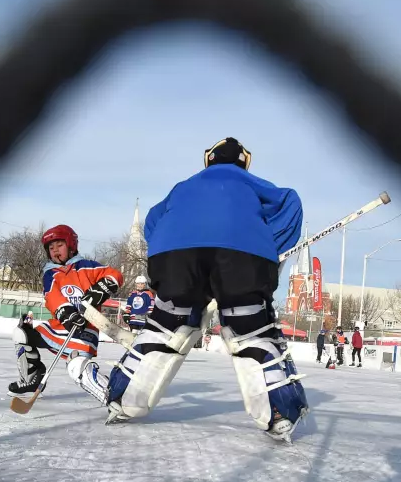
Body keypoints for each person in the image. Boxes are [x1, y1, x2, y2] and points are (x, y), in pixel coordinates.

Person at [104, 137, 307, 442]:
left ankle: (122, 396)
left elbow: (152, 221)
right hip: (241, 257)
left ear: (208, 161)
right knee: (250, 329)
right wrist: (267, 242)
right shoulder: (250, 182)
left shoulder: (183, 187)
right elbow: (291, 203)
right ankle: (278, 411)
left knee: (166, 324)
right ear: (243, 162)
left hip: (174, 255)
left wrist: (169, 244)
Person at [8, 224, 123, 402]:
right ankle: (32, 378)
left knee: (76, 365)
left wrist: (101, 288)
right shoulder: (50, 274)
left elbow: (114, 275)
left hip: (84, 331)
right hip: (59, 326)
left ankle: (112, 397)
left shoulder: (87, 267)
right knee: (21, 333)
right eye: (51, 248)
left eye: (59, 245)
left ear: (71, 246)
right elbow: (52, 296)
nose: (55, 251)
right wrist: (65, 311)